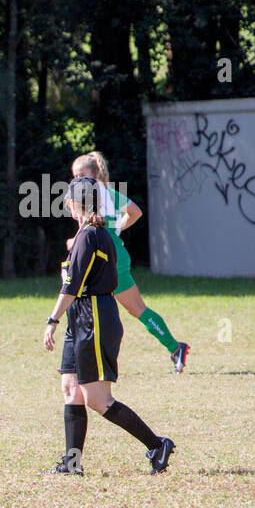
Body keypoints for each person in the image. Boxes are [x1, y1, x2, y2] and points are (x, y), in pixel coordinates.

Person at [42, 175, 175, 475]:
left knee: (98, 399)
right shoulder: (91, 234)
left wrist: (52, 319)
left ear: (75, 205)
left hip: (95, 318)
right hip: (81, 318)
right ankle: (71, 464)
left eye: (69, 203)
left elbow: (72, 286)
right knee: (70, 389)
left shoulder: (90, 236)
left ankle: (157, 444)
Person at [71, 152, 189, 373]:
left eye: (81, 175)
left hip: (108, 258)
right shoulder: (98, 195)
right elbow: (133, 213)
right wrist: (115, 229)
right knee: (88, 305)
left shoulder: (96, 195)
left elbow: (133, 213)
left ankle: (78, 362)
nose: (77, 180)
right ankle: (174, 348)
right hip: (107, 255)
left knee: (123, 308)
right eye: (74, 176)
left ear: (95, 174)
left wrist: (114, 231)